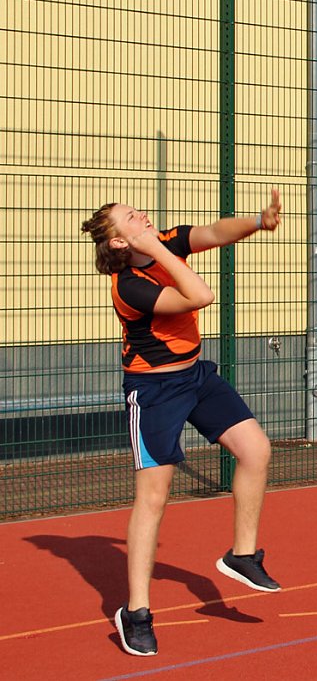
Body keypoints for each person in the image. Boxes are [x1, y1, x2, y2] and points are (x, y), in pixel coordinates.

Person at [81, 189, 282, 657]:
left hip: (195, 376)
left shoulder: (165, 242)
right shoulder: (129, 286)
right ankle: (136, 613)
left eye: (139, 210)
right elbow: (200, 296)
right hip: (154, 391)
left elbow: (213, 232)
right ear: (119, 242)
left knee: (256, 449)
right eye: (133, 217)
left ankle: (242, 555)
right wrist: (157, 249)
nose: (143, 215)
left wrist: (257, 221)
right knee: (154, 498)